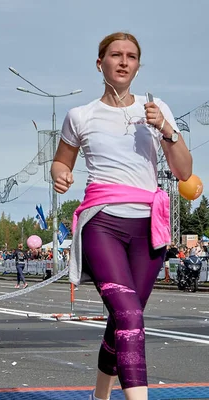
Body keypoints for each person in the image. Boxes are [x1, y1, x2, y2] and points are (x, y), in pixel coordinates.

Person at [51, 32, 192, 400]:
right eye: (116, 55)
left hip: (149, 229)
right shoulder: (79, 116)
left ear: (138, 66)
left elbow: (184, 171)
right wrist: (58, 174)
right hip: (103, 224)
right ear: (101, 63)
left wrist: (165, 128)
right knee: (130, 317)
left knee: (123, 322)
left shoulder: (155, 108)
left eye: (131, 56)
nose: (124, 61)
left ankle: (100, 395)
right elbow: (61, 162)